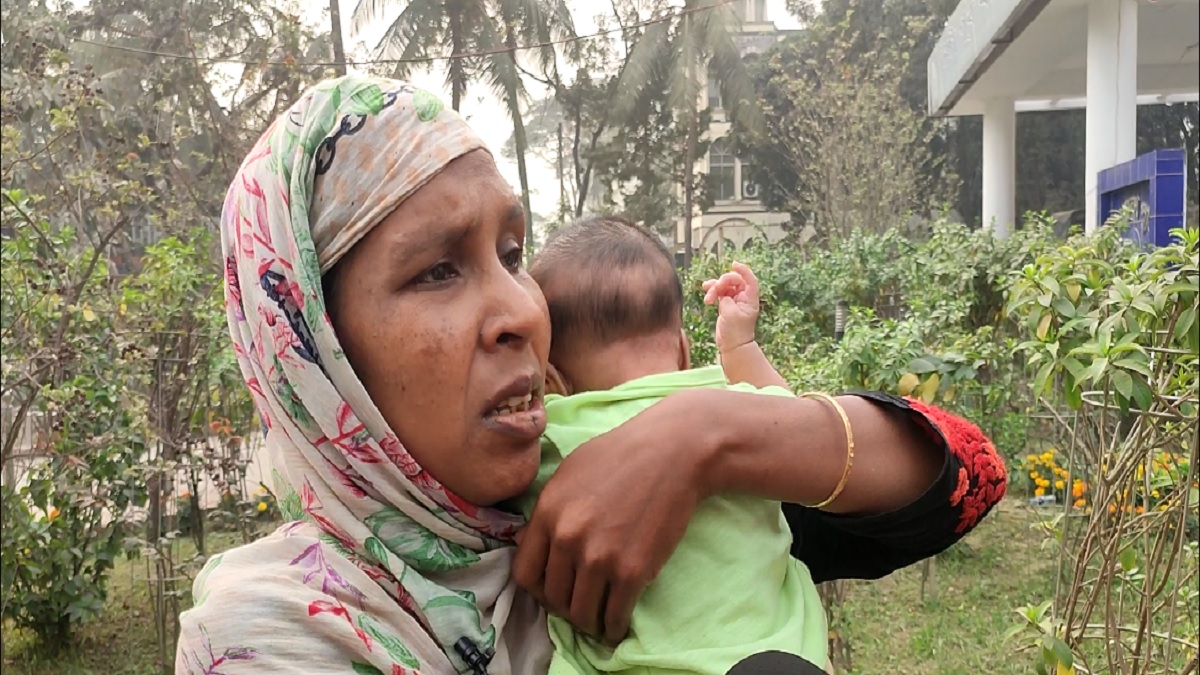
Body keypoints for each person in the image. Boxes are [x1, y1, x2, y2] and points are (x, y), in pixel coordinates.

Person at [175, 76, 1008, 675]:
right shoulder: (277, 631)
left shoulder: (640, 496)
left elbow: (971, 474)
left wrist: (704, 436)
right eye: (435, 271)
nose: (523, 312)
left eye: (511, 253)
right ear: (314, 353)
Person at [516, 215, 828, 674]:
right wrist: (740, 347)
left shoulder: (554, 435)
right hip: (778, 652)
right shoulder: (740, 417)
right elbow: (793, 415)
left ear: (552, 381)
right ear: (683, 351)